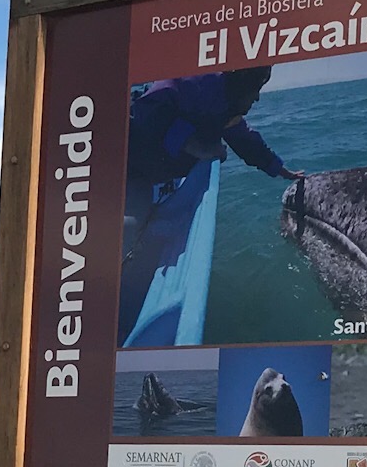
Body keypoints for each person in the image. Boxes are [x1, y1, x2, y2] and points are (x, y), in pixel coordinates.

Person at [119, 67, 304, 339]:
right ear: (242, 81)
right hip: (128, 164)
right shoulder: (197, 85)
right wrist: (192, 144)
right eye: (257, 88)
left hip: (150, 172)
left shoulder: (225, 102)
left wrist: (279, 169)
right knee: (127, 229)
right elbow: (147, 112)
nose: (257, 99)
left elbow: (244, 138)